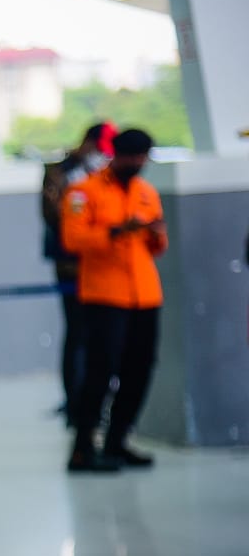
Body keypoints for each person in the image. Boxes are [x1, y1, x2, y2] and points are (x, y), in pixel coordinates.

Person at [61, 127, 166, 472]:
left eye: (142, 158)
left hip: (145, 296)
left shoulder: (147, 193)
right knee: (100, 373)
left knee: (139, 370)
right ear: (116, 156)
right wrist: (119, 231)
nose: (138, 163)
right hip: (105, 296)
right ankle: (82, 449)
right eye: (132, 157)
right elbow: (73, 240)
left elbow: (157, 247)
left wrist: (155, 235)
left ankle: (117, 441)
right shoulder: (83, 192)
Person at [41, 122, 115, 420]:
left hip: (101, 265)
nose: (101, 155)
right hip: (71, 267)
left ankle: (96, 402)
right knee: (77, 333)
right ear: (88, 142)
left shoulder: (105, 175)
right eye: (99, 149)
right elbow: (53, 214)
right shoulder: (59, 171)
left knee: (102, 335)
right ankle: (74, 402)